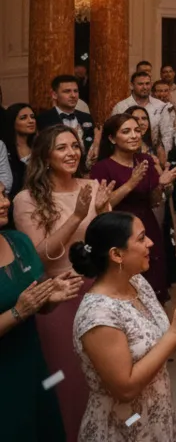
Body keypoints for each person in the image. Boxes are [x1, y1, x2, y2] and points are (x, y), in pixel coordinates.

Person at [69, 212, 176, 442]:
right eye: (142, 238)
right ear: (116, 254)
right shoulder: (98, 315)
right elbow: (125, 389)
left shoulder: (136, 282)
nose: (150, 243)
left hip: (156, 416)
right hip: (123, 427)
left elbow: (160, 343)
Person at [13, 126, 114, 442]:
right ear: (45, 156)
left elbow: (109, 242)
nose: (72, 153)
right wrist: (77, 216)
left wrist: (104, 211)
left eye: (75, 146)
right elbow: (38, 257)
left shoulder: (92, 186)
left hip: (100, 290)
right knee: (70, 380)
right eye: (62, 148)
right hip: (59, 296)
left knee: (108, 374)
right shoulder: (26, 199)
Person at [1, 183, 84, 442]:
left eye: (3, 194)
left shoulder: (19, 242)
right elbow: (22, 308)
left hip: (33, 361)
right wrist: (17, 312)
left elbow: (36, 300)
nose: (5, 203)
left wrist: (50, 297)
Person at [90, 114, 176, 303]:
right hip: (120, 231)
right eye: (126, 131)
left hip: (147, 225)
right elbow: (103, 205)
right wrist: (131, 183)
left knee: (154, 281)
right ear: (112, 138)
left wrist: (161, 184)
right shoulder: (102, 168)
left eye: (137, 131)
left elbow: (154, 201)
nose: (134, 135)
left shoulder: (144, 160)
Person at [111, 72, 174, 153]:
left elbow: (167, 135)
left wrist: (164, 156)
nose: (145, 87)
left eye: (147, 84)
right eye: (140, 84)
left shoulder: (161, 106)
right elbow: (114, 133)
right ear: (132, 86)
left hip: (154, 153)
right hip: (126, 153)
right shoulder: (121, 107)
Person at [37, 75, 98, 152]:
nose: (73, 95)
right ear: (54, 95)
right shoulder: (43, 119)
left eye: (75, 91)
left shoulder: (86, 117)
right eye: (67, 91)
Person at [3, 103, 37, 200]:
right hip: (12, 201)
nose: (31, 121)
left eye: (32, 117)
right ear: (12, 122)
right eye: (23, 118)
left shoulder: (40, 146)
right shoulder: (4, 149)